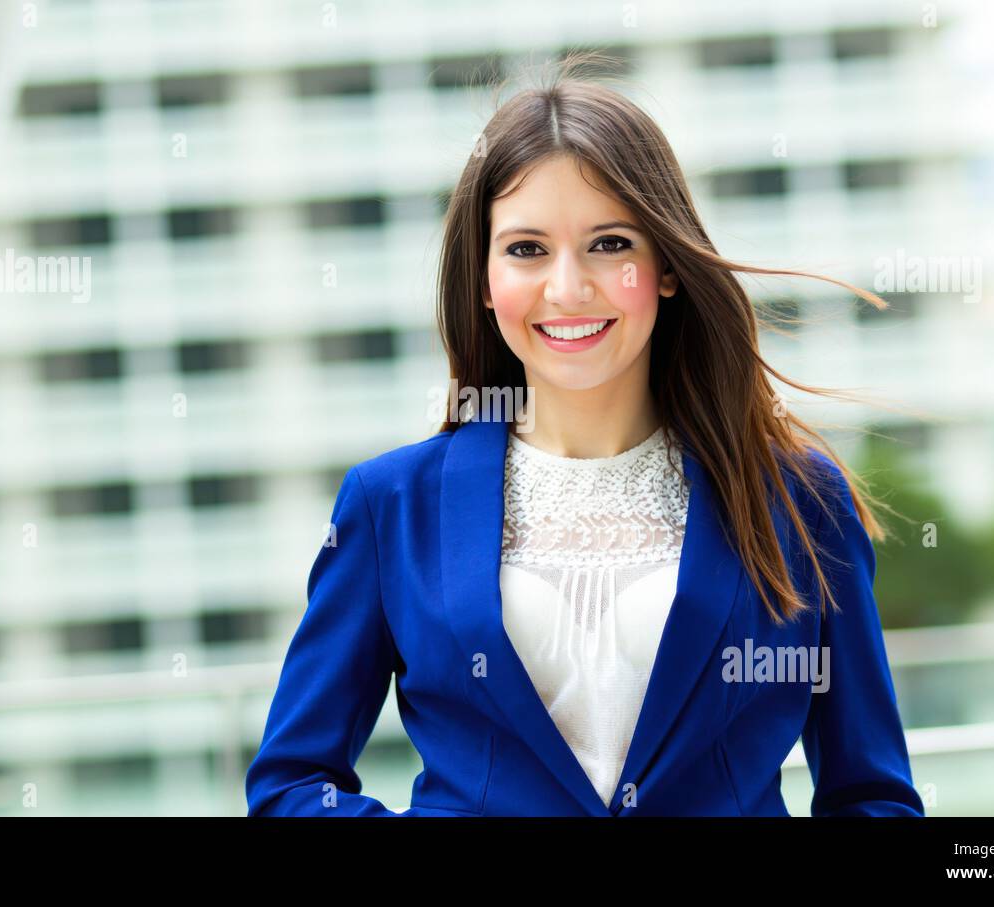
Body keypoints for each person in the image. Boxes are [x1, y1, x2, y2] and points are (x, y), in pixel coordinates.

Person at [245, 52, 925, 817]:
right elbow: (293, 786)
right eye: (527, 249)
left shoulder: (799, 499)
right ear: (484, 278)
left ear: (666, 265)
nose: (567, 288)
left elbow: (872, 795)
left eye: (609, 244)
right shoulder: (389, 505)